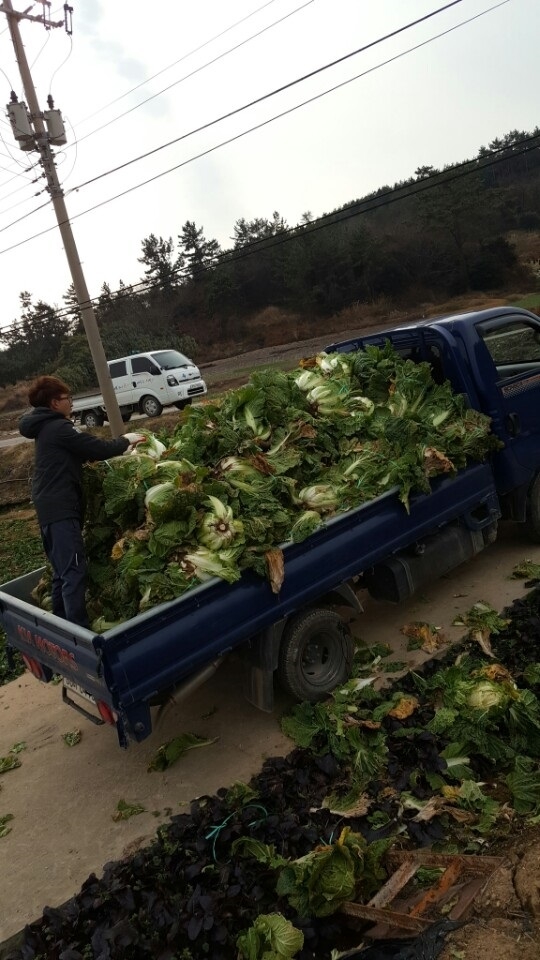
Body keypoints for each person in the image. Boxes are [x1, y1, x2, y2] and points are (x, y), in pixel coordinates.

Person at [19, 375, 145, 629]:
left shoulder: (45, 428)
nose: (72, 403)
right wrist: (125, 441)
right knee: (74, 572)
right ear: (55, 402)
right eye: (68, 398)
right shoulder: (58, 428)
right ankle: (77, 635)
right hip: (61, 509)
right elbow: (93, 447)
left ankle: (61, 628)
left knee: (61, 573)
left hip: (49, 508)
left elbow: (78, 455)